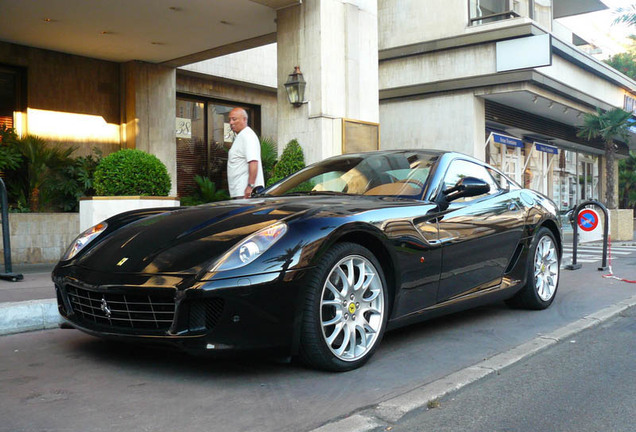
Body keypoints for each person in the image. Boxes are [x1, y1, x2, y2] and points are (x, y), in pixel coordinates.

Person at [226, 107, 264, 198]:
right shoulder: (242, 136)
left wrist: (250, 187)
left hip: (246, 193)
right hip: (240, 192)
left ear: (244, 119)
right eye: (230, 119)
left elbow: (253, 162)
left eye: (234, 119)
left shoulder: (248, 136)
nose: (231, 122)